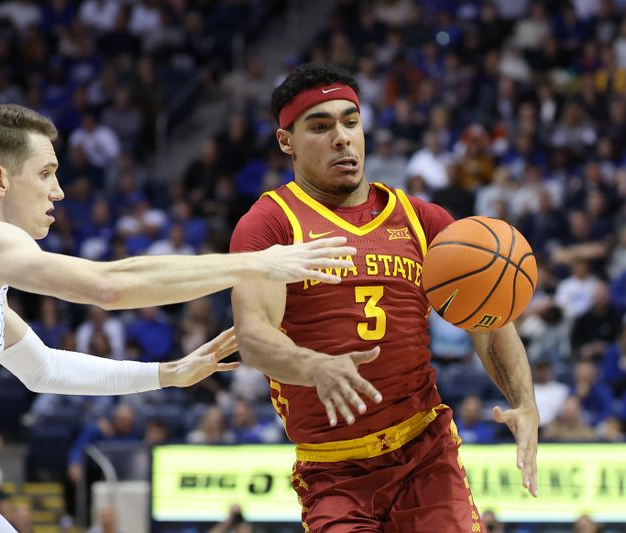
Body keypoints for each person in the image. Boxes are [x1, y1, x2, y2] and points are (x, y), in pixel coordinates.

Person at [0, 102, 357, 532]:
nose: (58, 190)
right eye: (47, 173)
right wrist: (255, 262)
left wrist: (168, 374)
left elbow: (44, 370)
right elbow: (107, 285)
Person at [230, 64, 539, 532]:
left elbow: (489, 321)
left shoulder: (421, 219)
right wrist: (316, 366)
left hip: (425, 452)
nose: (341, 138)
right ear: (285, 141)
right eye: (320, 126)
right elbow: (253, 337)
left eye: (350, 122)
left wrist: (524, 402)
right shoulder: (272, 225)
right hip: (333, 468)